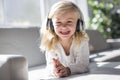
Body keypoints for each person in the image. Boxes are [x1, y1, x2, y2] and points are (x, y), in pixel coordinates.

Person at [40, 0, 89, 78]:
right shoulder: (51, 43)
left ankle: (91, 48)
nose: (63, 27)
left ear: (78, 25)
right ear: (51, 25)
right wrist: (55, 70)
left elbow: (83, 65)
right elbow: (49, 66)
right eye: (58, 22)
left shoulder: (82, 41)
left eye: (69, 21)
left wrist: (68, 70)